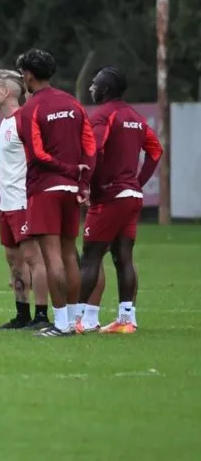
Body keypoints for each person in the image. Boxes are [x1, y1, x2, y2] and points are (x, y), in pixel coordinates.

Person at [14, 48, 96, 337]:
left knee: (52, 258)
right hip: (72, 189)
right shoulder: (74, 104)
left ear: (28, 75)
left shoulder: (29, 109)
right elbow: (90, 146)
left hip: (46, 189)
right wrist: (82, 179)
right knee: (69, 255)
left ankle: (61, 323)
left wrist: (67, 170)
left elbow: (36, 154)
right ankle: (75, 320)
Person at [77, 66, 162, 334]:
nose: (91, 87)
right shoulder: (135, 116)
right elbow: (155, 151)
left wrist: (91, 184)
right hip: (131, 196)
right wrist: (137, 182)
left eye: (94, 84)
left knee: (90, 257)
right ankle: (126, 319)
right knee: (123, 257)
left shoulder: (103, 116)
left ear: (105, 89)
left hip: (111, 197)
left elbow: (95, 151)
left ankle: (79, 319)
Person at [0, 68, 51, 330]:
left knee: (33, 257)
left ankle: (41, 315)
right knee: (13, 258)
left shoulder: (24, 120)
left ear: (6, 91)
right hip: (7, 203)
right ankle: (22, 313)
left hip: (24, 201)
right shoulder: (4, 123)